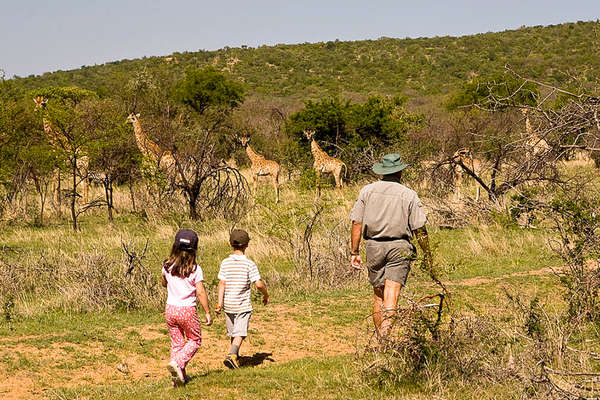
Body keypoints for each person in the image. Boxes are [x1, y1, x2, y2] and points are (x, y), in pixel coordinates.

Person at [349, 153, 433, 337]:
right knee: (392, 295)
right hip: (399, 247)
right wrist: (427, 253)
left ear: (382, 171)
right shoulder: (409, 194)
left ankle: (380, 338)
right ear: (400, 172)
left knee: (378, 296)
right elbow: (420, 229)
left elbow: (356, 222)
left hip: (374, 246)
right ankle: (386, 341)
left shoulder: (367, 191)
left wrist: (354, 251)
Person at [161, 229, 212, 387]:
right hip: (187, 310)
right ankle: (177, 362)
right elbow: (201, 292)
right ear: (194, 249)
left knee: (177, 343)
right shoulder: (195, 269)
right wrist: (208, 312)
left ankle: (178, 379)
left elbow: (164, 283)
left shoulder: (167, 265)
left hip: (170, 309)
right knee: (195, 340)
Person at [215, 229, 269, 369]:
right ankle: (231, 354)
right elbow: (258, 284)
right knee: (241, 333)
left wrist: (219, 304)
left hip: (228, 304)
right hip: (242, 305)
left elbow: (222, 283)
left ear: (230, 244)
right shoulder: (249, 264)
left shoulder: (225, 263)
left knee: (234, 332)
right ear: (247, 245)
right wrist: (265, 294)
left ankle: (235, 357)